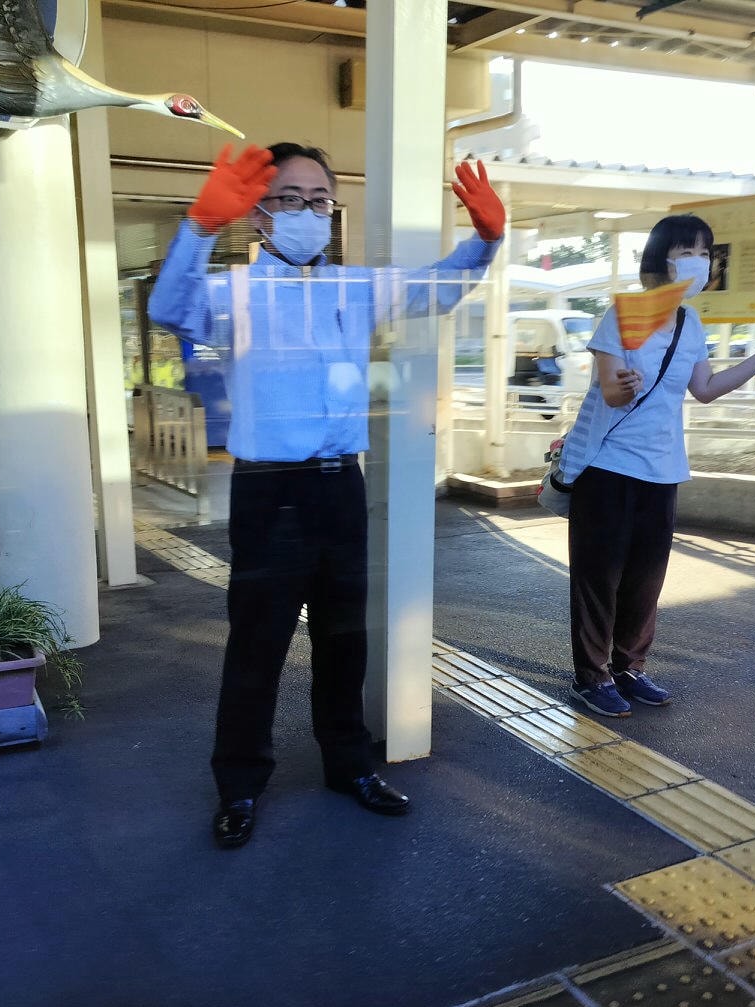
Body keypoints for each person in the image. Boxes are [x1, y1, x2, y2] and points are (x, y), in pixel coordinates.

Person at [148, 142, 504, 847]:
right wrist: (198, 228)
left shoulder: (355, 286)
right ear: (258, 214)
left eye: (318, 199)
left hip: (341, 485)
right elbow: (169, 308)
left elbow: (440, 286)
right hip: (267, 491)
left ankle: (349, 766)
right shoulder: (234, 293)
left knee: (345, 641)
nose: (306, 211)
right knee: (257, 645)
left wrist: (487, 241)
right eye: (288, 197)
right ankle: (240, 784)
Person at [560, 214, 755, 718]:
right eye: (689, 250)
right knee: (599, 578)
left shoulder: (691, 323)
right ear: (661, 257)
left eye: (706, 252)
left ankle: (629, 667)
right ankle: (591, 676)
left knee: (645, 580)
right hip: (609, 466)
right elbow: (608, 388)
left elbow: (705, 390)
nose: (700, 261)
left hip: (663, 470)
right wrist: (620, 386)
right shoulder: (622, 314)